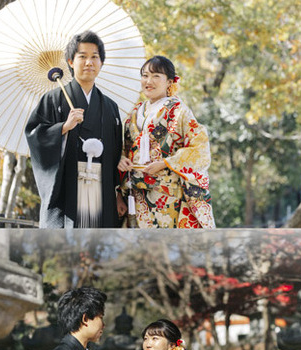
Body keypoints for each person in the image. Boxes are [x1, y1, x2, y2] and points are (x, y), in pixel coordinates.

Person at [25, 30, 124, 228]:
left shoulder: (110, 106)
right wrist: (63, 127)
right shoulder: (53, 100)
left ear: (101, 63)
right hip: (67, 189)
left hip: (100, 186)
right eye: (83, 57)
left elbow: (116, 152)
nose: (89, 62)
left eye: (95, 57)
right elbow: (35, 134)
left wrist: (118, 193)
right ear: (70, 61)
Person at [117, 56, 215, 228]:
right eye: (145, 75)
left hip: (167, 194)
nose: (149, 81)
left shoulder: (178, 111)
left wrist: (165, 163)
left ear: (170, 81)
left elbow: (200, 148)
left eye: (156, 76)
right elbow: (124, 147)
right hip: (136, 193)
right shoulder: (135, 111)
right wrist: (122, 159)